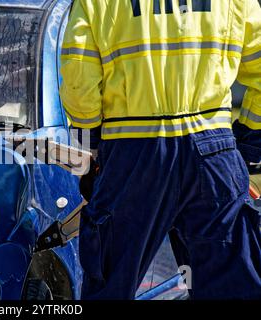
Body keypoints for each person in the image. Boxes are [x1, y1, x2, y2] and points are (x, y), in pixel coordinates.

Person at [60, 0, 261, 299]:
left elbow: (79, 78)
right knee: (232, 284)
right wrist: (247, 142)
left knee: (111, 281)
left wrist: (93, 141)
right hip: (212, 151)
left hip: (133, 152)